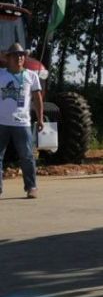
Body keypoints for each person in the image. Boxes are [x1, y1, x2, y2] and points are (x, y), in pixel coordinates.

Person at [0, 43, 43, 199]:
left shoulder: (32, 76)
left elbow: (37, 99)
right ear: (8, 58)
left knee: (27, 156)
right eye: (16, 55)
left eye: (22, 55)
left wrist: (40, 118)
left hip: (22, 123)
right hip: (1, 123)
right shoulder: (1, 74)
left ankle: (31, 187)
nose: (20, 58)